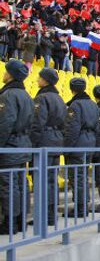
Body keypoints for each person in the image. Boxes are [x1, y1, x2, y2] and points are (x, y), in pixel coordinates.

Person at [0, 60, 33, 233]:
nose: (4, 74)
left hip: (11, 146)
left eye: (6, 72)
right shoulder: (26, 95)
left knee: (8, 185)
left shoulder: (8, 95)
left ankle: (9, 223)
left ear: (11, 75)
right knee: (21, 184)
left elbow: (5, 123)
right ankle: (20, 221)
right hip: (23, 145)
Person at [30, 67, 66, 225]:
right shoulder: (59, 99)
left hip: (44, 141)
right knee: (51, 180)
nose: (37, 79)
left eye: (40, 77)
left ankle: (42, 216)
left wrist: (32, 145)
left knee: (41, 180)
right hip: (56, 142)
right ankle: (51, 216)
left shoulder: (42, 98)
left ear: (46, 80)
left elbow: (37, 123)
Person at [64, 78, 99, 217]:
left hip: (78, 144)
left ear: (72, 88)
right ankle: (84, 205)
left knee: (77, 177)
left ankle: (80, 208)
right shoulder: (93, 104)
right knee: (83, 176)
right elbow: (97, 127)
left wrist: (66, 148)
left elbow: (72, 129)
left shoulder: (75, 105)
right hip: (90, 143)